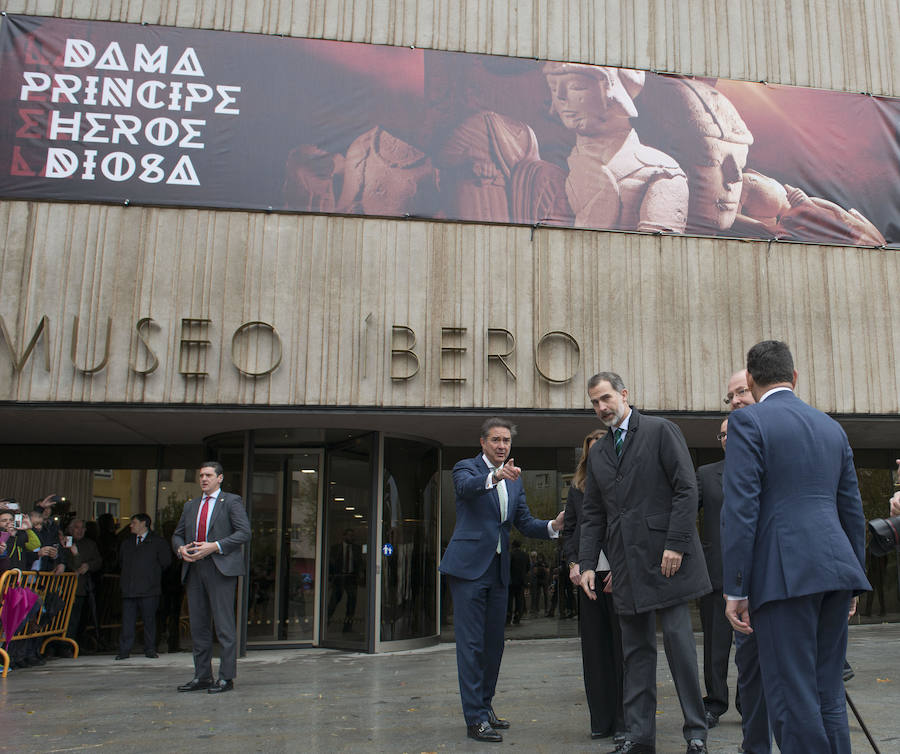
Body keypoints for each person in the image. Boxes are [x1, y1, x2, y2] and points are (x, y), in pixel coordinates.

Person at [722, 340, 870, 754]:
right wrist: (854, 578)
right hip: (836, 572)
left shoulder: (747, 422)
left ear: (752, 380)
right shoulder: (831, 427)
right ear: (795, 376)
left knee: (792, 696)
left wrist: (736, 588)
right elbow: (852, 510)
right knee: (827, 692)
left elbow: (742, 510)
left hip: (783, 577)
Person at [578, 372, 710, 754]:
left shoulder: (660, 430)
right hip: (626, 565)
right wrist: (587, 563)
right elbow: (593, 514)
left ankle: (696, 733)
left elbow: (687, 488)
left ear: (624, 394)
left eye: (606, 398)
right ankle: (639, 737)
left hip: (668, 561)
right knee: (635, 654)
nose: (601, 407)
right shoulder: (599, 452)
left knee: (680, 649)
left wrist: (676, 544)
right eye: (595, 402)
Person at [439, 418, 565, 743]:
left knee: (494, 645)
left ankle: (485, 706)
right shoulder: (466, 468)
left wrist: (553, 526)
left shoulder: (515, 481)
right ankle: (475, 719)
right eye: (495, 439)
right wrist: (495, 476)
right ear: (483, 442)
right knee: (471, 645)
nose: (501, 445)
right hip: (468, 570)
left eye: (506, 440)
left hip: (498, 571)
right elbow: (467, 489)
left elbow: (524, 522)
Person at [542, 63, 689, 234]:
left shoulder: (661, 174)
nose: (560, 96)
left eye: (577, 87)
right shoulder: (549, 171)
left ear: (613, 92)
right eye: (553, 88)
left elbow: (657, 248)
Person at [718, 370, 772, 754]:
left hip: (777, 581)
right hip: (749, 584)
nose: (736, 400)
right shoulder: (739, 442)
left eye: (742, 391)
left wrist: (738, 589)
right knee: (751, 674)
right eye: (730, 396)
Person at [563, 428, 625, 743]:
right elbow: (570, 530)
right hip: (588, 578)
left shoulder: (623, 481)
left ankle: (625, 721)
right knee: (595, 651)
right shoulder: (577, 489)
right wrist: (573, 563)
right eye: (592, 447)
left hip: (620, 577)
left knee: (623, 650)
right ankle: (601, 721)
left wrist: (624, 567)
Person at [172, 461, 251, 694]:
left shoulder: (231, 501)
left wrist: (215, 546)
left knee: (224, 626)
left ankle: (226, 677)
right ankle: (202, 676)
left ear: (220, 478)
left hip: (220, 568)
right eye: (201, 476)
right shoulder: (191, 506)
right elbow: (177, 535)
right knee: (198, 627)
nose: (204, 479)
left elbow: (244, 532)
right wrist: (180, 549)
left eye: (208, 475)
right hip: (195, 569)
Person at [116, 513, 172, 660]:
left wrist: (151, 574)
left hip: (149, 588)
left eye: (134, 522)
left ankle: (150, 649)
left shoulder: (158, 542)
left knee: (149, 621)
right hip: (129, 588)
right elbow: (121, 562)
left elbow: (166, 562)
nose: (131, 525)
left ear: (143, 524)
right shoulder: (127, 543)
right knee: (127, 621)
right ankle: (124, 650)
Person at [62, 518, 102, 648]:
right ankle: (58, 646)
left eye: (82, 528)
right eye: (76, 528)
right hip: (64, 587)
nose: (80, 531)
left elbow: (98, 561)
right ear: (70, 529)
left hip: (81, 588)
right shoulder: (65, 542)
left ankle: (71, 646)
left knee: (77, 619)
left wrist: (88, 566)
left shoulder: (90, 544)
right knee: (62, 619)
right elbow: (70, 564)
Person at [507, 540, 529, 625]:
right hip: (521, 581)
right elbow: (528, 567)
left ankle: (508, 616)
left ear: (513, 546)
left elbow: (508, 566)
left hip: (512, 581)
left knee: (510, 600)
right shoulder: (525, 555)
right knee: (519, 599)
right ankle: (517, 616)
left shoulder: (511, 554)